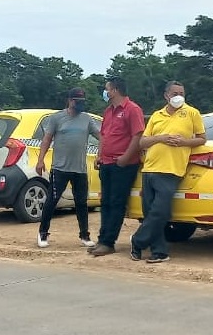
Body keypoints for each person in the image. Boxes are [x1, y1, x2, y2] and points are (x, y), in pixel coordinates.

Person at [131, 81, 206, 263]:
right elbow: (142, 142)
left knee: (160, 212)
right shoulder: (157, 115)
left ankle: (137, 241)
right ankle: (159, 252)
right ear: (166, 95)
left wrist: (184, 143)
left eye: (181, 93)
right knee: (150, 213)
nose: (178, 96)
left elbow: (201, 139)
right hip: (149, 169)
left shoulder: (192, 113)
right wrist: (161, 138)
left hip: (171, 170)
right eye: (174, 93)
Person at [34, 88, 100, 249]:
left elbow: (101, 136)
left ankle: (84, 235)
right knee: (52, 201)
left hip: (80, 169)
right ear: (70, 101)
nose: (80, 105)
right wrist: (40, 160)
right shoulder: (57, 118)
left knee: (81, 203)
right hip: (60, 168)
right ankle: (43, 233)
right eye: (78, 102)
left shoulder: (87, 119)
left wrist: (101, 155)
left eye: (82, 102)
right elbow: (47, 139)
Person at [89, 77, 145, 257]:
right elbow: (103, 136)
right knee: (105, 203)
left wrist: (126, 157)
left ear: (115, 90)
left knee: (116, 203)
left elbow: (137, 136)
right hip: (106, 162)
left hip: (124, 164)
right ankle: (102, 239)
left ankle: (108, 242)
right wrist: (99, 155)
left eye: (107, 89)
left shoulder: (132, 109)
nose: (105, 93)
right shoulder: (108, 111)